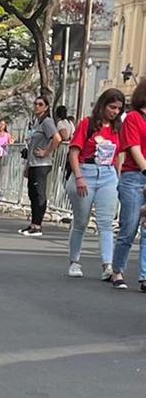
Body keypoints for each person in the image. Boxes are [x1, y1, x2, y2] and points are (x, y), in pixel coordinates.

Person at [64, 89, 124, 279]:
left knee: (106, 222)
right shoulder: (87, 124)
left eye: (118, 109)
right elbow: (73, 152)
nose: (115, 112)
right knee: (81, 221)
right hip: (86, 171)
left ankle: (108, 264)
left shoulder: (117, 128)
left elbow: (118, 156)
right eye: (112, 107)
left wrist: (118, 177)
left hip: (107, 174)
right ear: (103, 105)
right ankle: (74, 261)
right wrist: (79, 177)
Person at [111, 79, 146, 291]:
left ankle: (144, 276)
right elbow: (133, 147)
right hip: (134, 176)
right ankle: (117, 270)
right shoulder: (133, 117)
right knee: (130, 226)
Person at [21, 96, 61, 236]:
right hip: (33, 164)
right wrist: (27, 166)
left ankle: (38, 225)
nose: (37, 106)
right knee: (32, 194)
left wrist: (47, 151)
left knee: (39, 194)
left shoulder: (47, 122)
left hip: (42, 164)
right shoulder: (37, 122)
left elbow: (57, 138)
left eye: (40, 104)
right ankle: (33, 223)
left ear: (46, 107)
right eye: (35, 103)